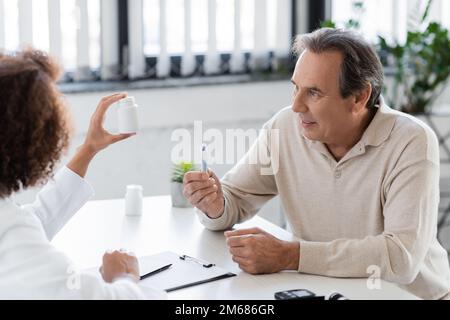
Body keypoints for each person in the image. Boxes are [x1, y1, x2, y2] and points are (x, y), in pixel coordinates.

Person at [183, 28, 450, 300]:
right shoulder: (285, 127)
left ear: (359, 97)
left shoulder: (411, 141)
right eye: (296, 88)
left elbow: (400, 258)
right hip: (323, 291)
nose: (296, 106)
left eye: (314, 93)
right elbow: (234, 199)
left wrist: (292, 255)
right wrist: (214, 205)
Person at [0, 49, 164, 299]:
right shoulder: (15, 238)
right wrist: (124, 278)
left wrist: (89, 149)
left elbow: (29, 223)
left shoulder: (11, 225)